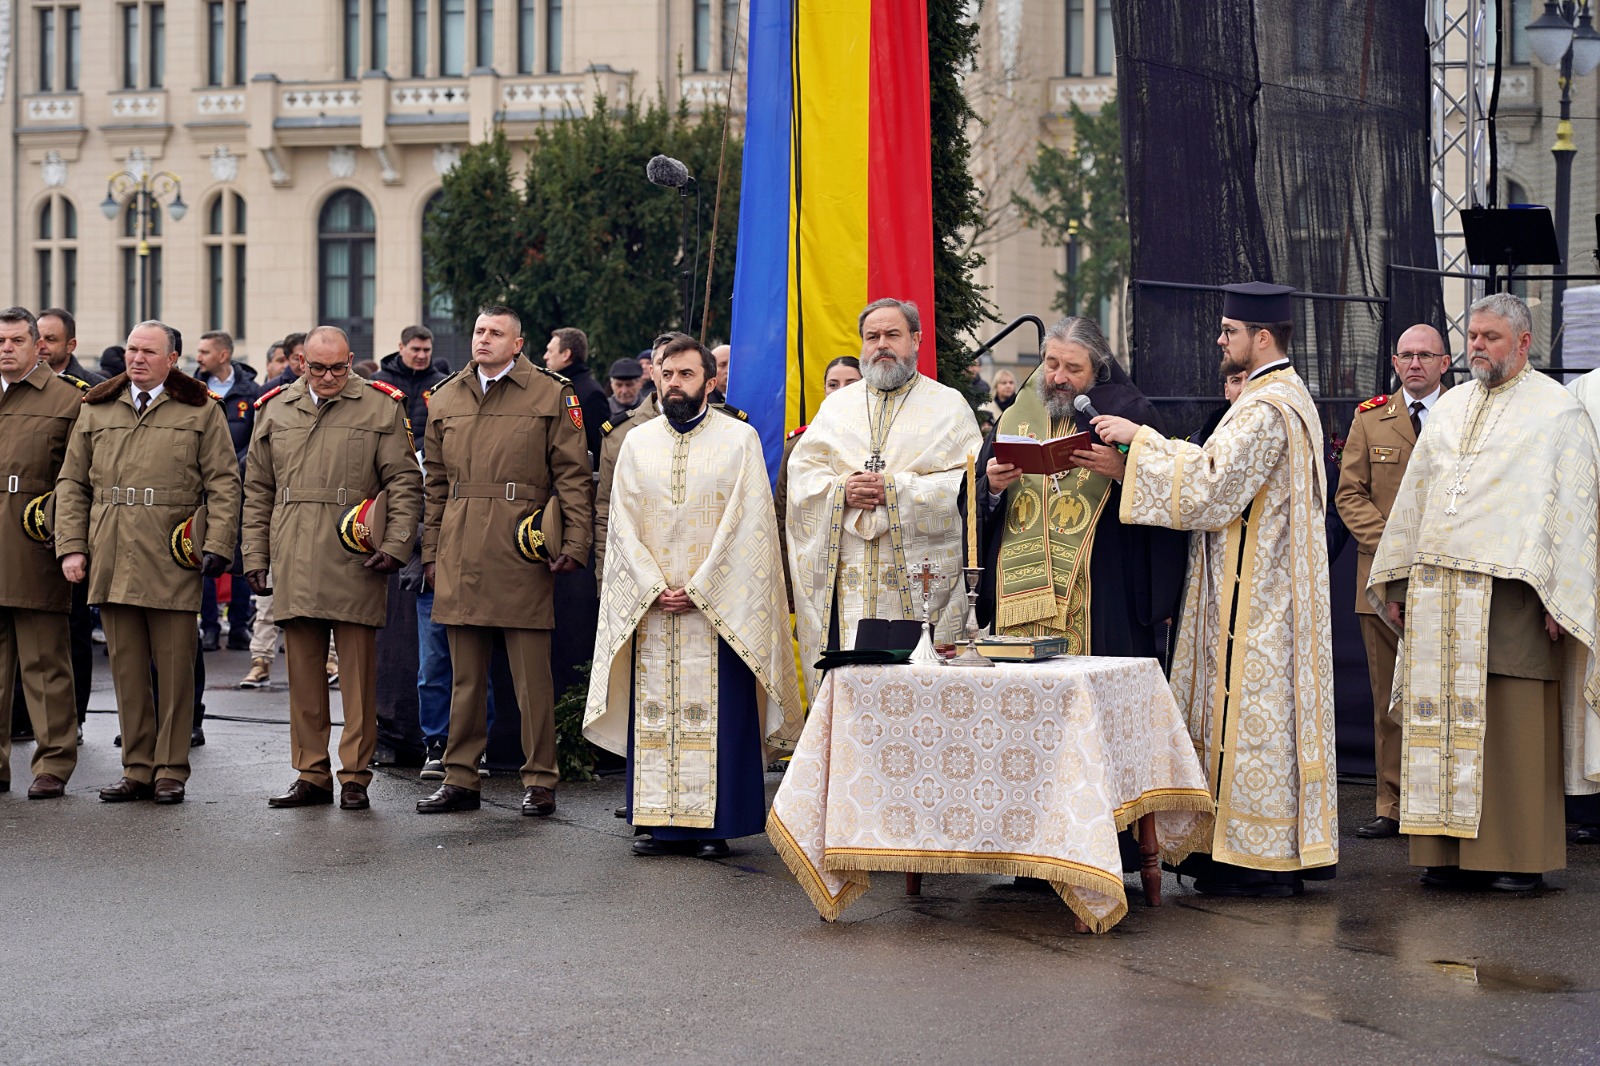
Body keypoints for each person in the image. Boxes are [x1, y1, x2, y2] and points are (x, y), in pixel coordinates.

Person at [1093, 281, 1337, 897]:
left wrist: (1137, 444)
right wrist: (1138, 457)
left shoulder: (1266, 408)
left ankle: (1255, 859)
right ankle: (1226, 849)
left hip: (1258, 602)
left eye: (1229, 331)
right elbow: (1213, 468)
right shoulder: (1271, 397)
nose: (1220, 340)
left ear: (1261, 338)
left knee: (1253, 724)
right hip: (1251, 585)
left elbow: (1208, 487)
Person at [1371, 293, 1600, 892]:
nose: (1477, 347)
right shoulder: (1448, 411)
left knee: (1510, 724)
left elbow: (1575, 511)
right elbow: (1416, 500)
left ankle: (1518, 858)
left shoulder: (1557, 412)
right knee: (1437, 722)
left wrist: (1563, 596)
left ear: (1523, 343)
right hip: (1438, 595)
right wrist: (1396, 578)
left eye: (1490, 337)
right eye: (1472, 336)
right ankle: (1444, 855)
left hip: (1514, 597)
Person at [585, 335, 803, 856]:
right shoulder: (637, 443)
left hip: (718, 606)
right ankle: (659, 826)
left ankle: (717, 827)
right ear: (655, 379)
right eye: (667, 374)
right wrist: (652, 587)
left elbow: (748, 524)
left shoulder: (739, 439)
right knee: (656, 710)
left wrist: (703, 587)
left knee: (719, 713)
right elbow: (622, 526)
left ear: (709, 380)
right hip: (654, 605)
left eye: (686, 373)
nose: (675, 383)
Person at [415, 306, 593, 816]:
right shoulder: (446, 396)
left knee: (530, 678)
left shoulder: (550, 393)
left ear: (519, 343)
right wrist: (430, 553)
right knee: (464, 676)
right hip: (461, 546)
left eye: (495, 333)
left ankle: (540, 780)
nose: (483, 339)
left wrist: (575, 544)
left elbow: (574, 477)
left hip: (522, 544)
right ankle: (461, 778)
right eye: (478, 331)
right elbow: (434, 486)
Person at [55, 320, 241, 805]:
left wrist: (217, 544)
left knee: (176, 671)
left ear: (172, 358)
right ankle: (136, 767)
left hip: (172, 554)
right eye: (132, 349)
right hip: (113, 551)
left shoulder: (200, 410)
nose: (136, 358)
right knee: (127, 670)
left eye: (148, 351)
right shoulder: (97, 409)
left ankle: (170, 769)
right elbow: (72, 484)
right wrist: (72, 545)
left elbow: (224, 483)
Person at [243, 325, 424, 811]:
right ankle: (311, 773)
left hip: (355, 553)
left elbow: (404, 482)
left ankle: (355, 776)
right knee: (302, 675)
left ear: (352, 361)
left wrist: (396, 544)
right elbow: (257, 489)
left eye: (338, 368)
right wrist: (254, 555)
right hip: (295, 552)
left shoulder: (380, 406)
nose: (328, 377)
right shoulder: (276, 408)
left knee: (358, 677)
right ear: (300, 361)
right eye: (317, 367)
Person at [786, 298, 982, 690]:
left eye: (893, 334)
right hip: (847, 582)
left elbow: (965, 487)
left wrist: (893, 489)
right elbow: (803, 478)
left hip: (916, 583)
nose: (881, 345)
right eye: (872, 336)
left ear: (916, 340)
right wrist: (842, 489)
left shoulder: (949, 406)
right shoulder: (836, 407)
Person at [976, 317, 1185, 660]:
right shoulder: (1015, 413)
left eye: (1073, 368)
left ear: (1098, 368)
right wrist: (993, 488)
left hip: (1100, 590)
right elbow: (972, 494)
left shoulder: (1127, 412)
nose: (1058, 378)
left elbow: (1168, 492)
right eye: (1052, 364)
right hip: (1016, 594)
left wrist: (1123, 472)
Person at [1335, 323, 1449, 841]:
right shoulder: (1371, 418)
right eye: (1407, 355)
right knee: (1389, 702)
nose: (1415, 364)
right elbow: (1349, 495)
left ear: (1445, 363)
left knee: (1448, 695)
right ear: (1394, 361)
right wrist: (1398, 550)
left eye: (1426, 355)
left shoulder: (1464, 415)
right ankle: (1393, 802)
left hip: (1451, 576)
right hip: (1381, 582)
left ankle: (1444, 800)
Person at [0, 308, 83, 798]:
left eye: (15, 340)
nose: (6, 348)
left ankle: (53, 762)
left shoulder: (67, 400)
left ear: (38, 346)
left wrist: (69, 543)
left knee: (45, 664)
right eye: (0, 340)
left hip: (34, 544)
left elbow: (75, 482)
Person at [776, 356, 861, 606]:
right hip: (816, 570)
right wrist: (790, 588)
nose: (840, 391)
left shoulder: (886, 443)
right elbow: (782, 513)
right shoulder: (800, 443)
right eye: (833, 384)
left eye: (851, 383)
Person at [194, 330, 260, 652]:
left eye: (205, 351)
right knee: (206, 559)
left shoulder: (251, 393)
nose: (198, 357)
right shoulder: (193, 391)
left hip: (242, 489)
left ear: (223, 355)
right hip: (203, 491)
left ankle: (238, 626)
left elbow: (258, 439)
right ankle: (209, 626)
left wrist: (235, 469)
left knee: (240, 559)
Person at [594, 342, 666, 583]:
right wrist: (604, 579)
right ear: (652, 373)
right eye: (664, 366)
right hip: (636, 567)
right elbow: (606, 506)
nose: (624, 390)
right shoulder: (617, 431)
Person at [373, 325, 446, 451]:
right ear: (401, 348)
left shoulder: (443, 384)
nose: (422, 356)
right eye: (416, 349)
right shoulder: (379, 382)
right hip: (387, 456)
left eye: (426, 350)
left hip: (427, 460)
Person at [544, 327, 609, 464]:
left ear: (566, 354)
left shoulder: (590, 394)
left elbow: (596, 449)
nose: (545, 356)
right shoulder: (555, 387)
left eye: (550, 351)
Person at [36, 308, 105, 385]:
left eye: (50, 339)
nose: (41, 346)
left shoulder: (97, 387)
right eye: (37, 338)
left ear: (70, 346)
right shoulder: (21, 381)